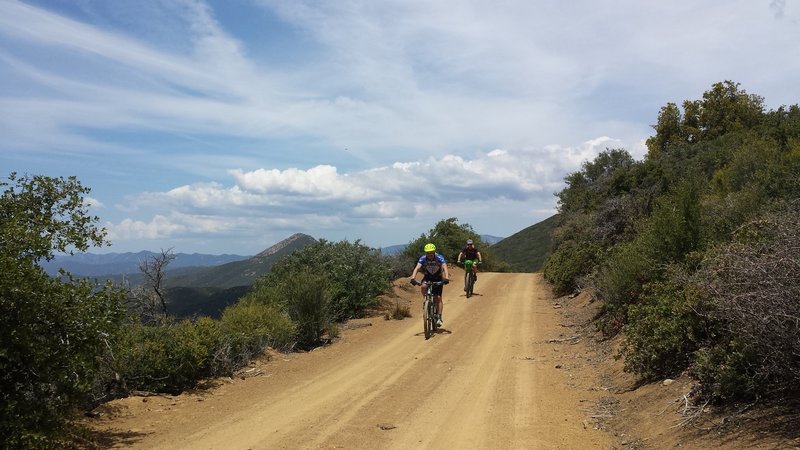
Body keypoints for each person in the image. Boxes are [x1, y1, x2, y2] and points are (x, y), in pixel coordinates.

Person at [409, 243, 450, 326]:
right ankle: (426, 300)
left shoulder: (439, 257)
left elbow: (444, 266)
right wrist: (413, 278)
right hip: (427, 277)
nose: (429, 254)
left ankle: (439, 317)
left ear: (434, 252)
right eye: (428, 253)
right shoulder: (423, 258)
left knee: (438, 298)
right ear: (425, 253)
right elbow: (417, 267)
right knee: (423, 286)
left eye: (431, 252)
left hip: (438, 278)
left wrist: (446, 277)